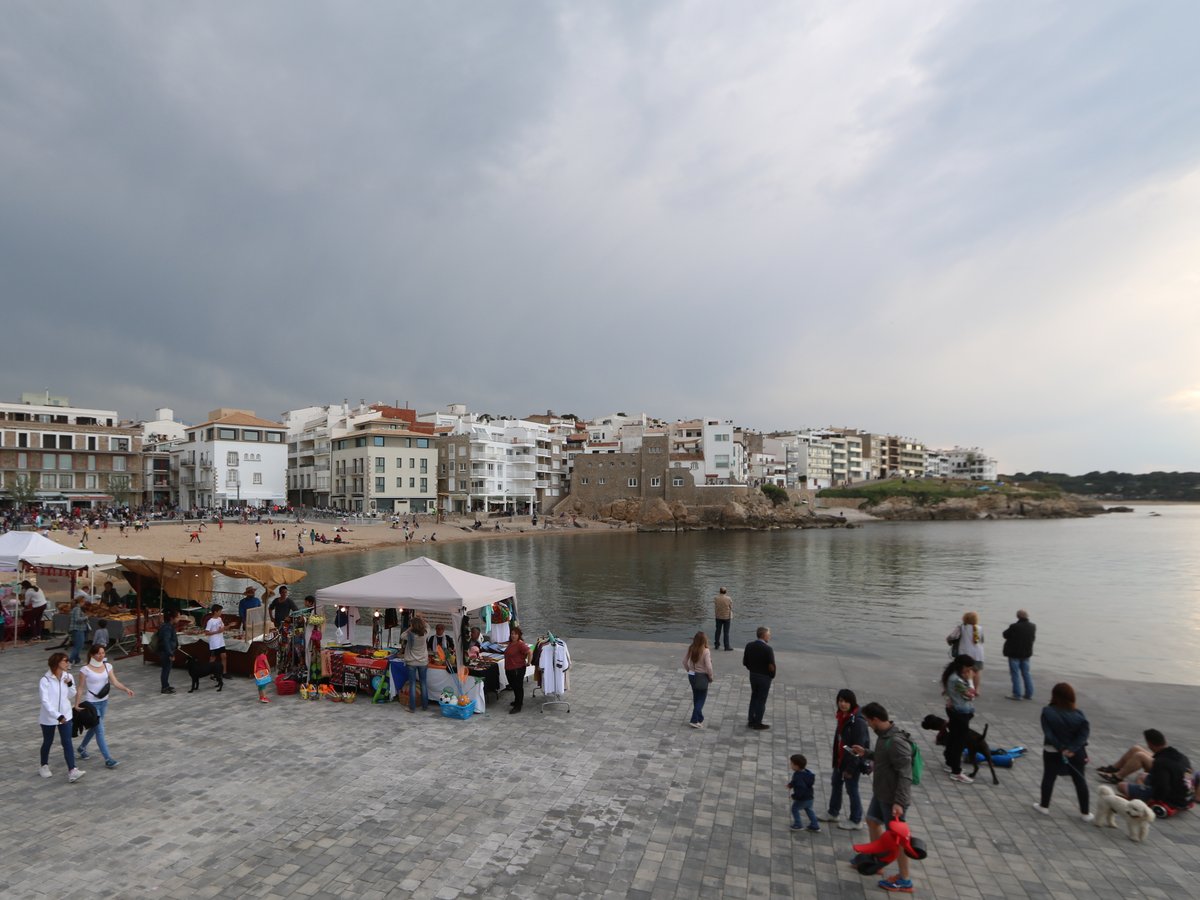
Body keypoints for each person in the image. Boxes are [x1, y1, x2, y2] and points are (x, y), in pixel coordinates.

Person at [848, 702, 915, 893]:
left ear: (876, 719)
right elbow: (884, 757)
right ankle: (879, 860)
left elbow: (905, 774)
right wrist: (866, 753)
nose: (868, 724)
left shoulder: (896, 741)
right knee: (871, 820)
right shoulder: (884, 736)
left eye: (869, 721)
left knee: (899, 839)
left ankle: (904, 880)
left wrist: (899, 802)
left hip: (892, 799)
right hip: (882, 793)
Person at [1033, 682, 1092, 821]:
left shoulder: (1047, 711)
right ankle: (1085, 813)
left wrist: (1062, 748)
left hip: (1053, 750)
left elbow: (1049, 734)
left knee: (1049, 777)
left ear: (1054, 696)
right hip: (1076, 752)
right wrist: (1071, 749)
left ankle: (1044, 806)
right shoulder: (1079, 714)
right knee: (1080, 780)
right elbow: (1084, 735)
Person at [76, 644, 135, 769]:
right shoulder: (85, 670)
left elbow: (114, 681)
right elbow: (80, 688)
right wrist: (76, 704)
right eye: (98, 653)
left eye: (103, 653)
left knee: (94, 727)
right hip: (91, 704)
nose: (101, 655)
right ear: (92, 655)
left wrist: (126, 689)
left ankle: (81, 748)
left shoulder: (108, 666)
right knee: (100, 730)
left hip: (104, 702)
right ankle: (108, 759)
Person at [1100, 730, 1193, 807]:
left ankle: (1131, 793)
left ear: (1150, 744)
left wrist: (1152, 800)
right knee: (1141, 775)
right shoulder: (1182, 757)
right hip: (1184, 794)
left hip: (1172, 798)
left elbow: (1163, 787)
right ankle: (1114, 769)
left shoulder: (1160, 763)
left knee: (1121, 786)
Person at [821, 688, 869, 830]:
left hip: (851, 763)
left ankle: (856, 819)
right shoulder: (842, 716)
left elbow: (858, 747)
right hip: (841, 760)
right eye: (840, 701)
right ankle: (833, 812)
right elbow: (841, 741)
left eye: (846, 701)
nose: (843, 704)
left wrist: (850, 768)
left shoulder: (857, 721)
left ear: (852, 702)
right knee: (836, 784)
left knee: (852, 789)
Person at [39, 653, 84, 782]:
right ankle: (44, 765)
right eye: (65, 661)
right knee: (48, 741)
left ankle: (72, 770)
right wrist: (57, 716)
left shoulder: (68, 676)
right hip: (49, 717)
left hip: (66, 716)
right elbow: (45, 701)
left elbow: (71, 694)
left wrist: (69, 684)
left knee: (67, 742)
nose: (68, 663)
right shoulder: (45, 680)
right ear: (57, 662)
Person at [941, 654, 978, 784]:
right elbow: (971, 695)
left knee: (953, 738)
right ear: (962, 666)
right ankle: (956, 772)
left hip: (955, 711)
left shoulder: (953, 676)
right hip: (960, 713)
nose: (969, 671)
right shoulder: (956, 679)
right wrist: (971, 680)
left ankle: (949, 762)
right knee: (959, 742)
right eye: (968, 668)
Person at [742, 626, 775, 731]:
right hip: (764, 677)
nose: (770, 636)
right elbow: (771, 666)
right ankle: (758, 723)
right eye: (769, 634)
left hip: (753, 675)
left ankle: (751, 720)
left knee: (754, 697)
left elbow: (745, 662)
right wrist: (772, 675)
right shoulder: (768, 649)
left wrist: (751, 669)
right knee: (761, 700)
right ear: (764, 635)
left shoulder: (749, 645)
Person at [946, 611, 984, 695]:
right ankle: (977, 690)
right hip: (978, 654)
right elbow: (982, 640)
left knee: (963, 671)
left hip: (965, 654)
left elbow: (952, 637)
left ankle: (965, 689)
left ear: (965, 618)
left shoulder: (961, 627)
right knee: (976, 671)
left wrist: (948, 640)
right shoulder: (980, 628)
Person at [1002, 609, 1036, 701]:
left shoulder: (1014, 626)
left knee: (1015, 674)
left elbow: (1005, 634)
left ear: (1018, 616)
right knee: (1026, 673)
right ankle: (1029, 694)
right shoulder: (1033, 626)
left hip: (1014, 653)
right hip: (1026, 654)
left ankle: (1017, 694)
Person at [682, 631, 714, 729]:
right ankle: (694, 720)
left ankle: (700, 717)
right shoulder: (706, 651)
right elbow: (708, 666)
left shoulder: (691, 648)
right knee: (701, 698)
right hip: (702, 676)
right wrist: (711, 676)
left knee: (696, 696)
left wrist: (689, 670)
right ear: (704, 640)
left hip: (691, 675)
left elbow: (684, 661)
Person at [401, 615, 430, 712]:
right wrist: (422, 620)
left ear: (412, 625)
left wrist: (411, 627)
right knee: (423, 683)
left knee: (412, 684)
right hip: (423, 662)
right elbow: (428, 626)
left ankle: (412, 707)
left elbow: (402, 635)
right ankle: (425, 706)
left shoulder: (409, 635)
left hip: (411, 662)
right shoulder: (425, 633)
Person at [788, 753, 819, 831]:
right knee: (809, 809)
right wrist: (791, 785)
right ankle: (815, 825)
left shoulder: (798, 776)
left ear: (796, 766)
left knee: (794, 809)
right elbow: (796, 782)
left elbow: (800, 789)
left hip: (802, 798)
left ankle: (798, 824)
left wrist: (794, 796)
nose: (790, 765)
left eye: (791, 763)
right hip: (810, 797)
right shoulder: (807, 773)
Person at [504, 625, 531, 714]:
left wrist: (528, 662)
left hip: (517, 669)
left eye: (515, 634)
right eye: (512, 634)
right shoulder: (511, 643)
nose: (513, 635)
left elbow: (529, 652)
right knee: (514, 686)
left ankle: (518, 706)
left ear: (519, 635)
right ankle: (517, 701)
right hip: (509, 668)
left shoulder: (520, 644)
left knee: (518, 687)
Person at [157, 613, 178, 694]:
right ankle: (164, 687)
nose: (178, 619)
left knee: (167, 669)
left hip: (166, 650)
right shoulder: (167, 627)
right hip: (165, 651)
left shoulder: (168, 626)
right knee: (166, 669)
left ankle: (166, 685)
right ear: (172, 618)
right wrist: (170, 653)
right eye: (177, 617)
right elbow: (166, 641)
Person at [205, 604, 227, 675]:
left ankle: (224, 672)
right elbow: (207, 632)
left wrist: (229, 626)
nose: (221, 612)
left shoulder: (220, 619)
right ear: (215, 612)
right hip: (214, 642)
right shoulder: (210, 621)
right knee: (213, 658)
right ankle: (210, 672)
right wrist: (217, 632)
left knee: (224, 656)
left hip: (221, 641)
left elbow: (222, 628)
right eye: (220, 611)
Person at [68, 597, 90, 665]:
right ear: (81, 602)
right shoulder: (77, 609)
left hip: (76, 629)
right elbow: (77, 619)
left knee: (77, 645)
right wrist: (86, 617)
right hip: (78, 629)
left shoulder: (75, 609)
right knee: (79, 646)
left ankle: (77, 660)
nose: (84, 603)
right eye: (83, 602)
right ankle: (70, 661)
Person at [713, 587, 733, 651]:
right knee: (726, 632)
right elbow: (731, 607)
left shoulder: (716, 598)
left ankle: (716, 645)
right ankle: (726, 646)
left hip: (718, 617)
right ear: (726, 592)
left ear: (720, 591)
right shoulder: (729, 598)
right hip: (727, 617)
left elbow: (716, 605)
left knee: (718, 631)